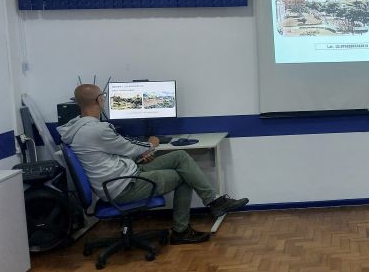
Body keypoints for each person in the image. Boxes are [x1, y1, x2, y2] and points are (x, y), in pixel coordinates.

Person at [58, 84, 250, 245]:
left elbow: (109, 156)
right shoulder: (96, 130)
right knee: (184, 177)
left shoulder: (76, 127)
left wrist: (138, 157)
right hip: (123, 186)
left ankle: (214, 201)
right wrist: (152, 143)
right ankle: (182, 231)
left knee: (180, 156)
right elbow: (131, 147)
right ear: (99, 100)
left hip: (121, 175)